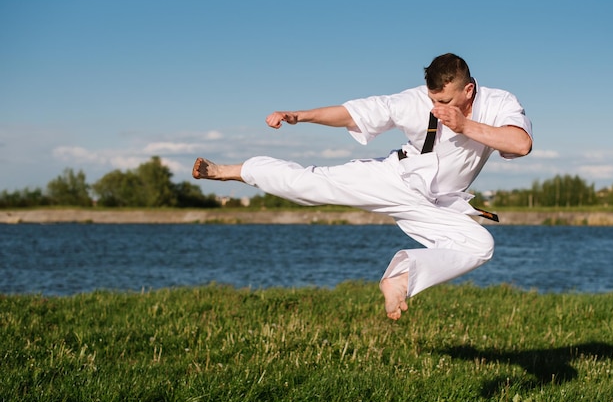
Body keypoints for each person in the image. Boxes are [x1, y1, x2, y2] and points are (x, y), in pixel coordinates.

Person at [192, 53, 532, 320]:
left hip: (437, 204)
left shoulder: (500, 103)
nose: (436, 109)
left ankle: (401, 277)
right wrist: (300, 115)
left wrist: (465, 124)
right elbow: (353, 114)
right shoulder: (412, 101)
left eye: (445, 102)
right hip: (393, 180)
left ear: (468, 90)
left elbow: (520, 144)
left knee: (480, 245)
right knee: (309, 185)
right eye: (433, 100)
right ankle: (228, 170)